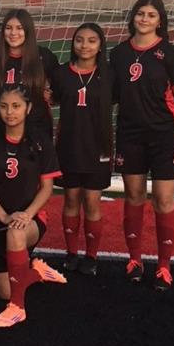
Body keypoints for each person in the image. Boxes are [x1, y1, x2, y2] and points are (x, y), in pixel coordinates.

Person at [110, 0, 174, 291]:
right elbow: (109, 97)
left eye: (151, 15)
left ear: (160, 21)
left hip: (165, 136)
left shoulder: (169, 54)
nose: (144, 19)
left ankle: (164, 266)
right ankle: (134, 260)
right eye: (140, 13)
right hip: (130, 135)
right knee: (133, 196)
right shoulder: (119, 54)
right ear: (133, 17)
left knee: (163, 199)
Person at [0, 83, 67, 328]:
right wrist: (4, 216)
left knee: (15, 233)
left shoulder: (40, 141)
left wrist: (26, 215)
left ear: (28, 108)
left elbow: (46, 188)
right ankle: (36, 271)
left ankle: (17, 308)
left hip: (30, 219)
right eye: (4, 106)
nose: (10, 112)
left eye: (16, 106)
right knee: (4, 290)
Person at [49, 23, 114, 275]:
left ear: (100, 45)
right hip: (68, 146)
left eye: (91, 40)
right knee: (71, 199)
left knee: (92, 202)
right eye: (79, 40)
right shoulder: (61, 73)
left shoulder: (109, 74)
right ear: (73, 43)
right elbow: (51, 98)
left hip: (99, 147)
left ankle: (91, 256)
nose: (84, 45)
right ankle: (72, 252)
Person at [0, 8, 59, 138]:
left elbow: (60, 87)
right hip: (1, 128)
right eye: (8, 28)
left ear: (28, 30)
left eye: (19, 28)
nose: (13, 33)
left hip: (38, 128)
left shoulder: (44, 57)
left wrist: (51, 96)